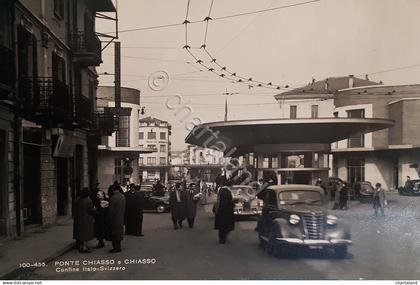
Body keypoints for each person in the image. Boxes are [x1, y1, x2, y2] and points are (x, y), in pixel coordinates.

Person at [73, 187, 96, 253]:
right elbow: (91, 210)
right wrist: (95, 210)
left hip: (78, 218)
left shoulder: (77, 199)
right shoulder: (88, 200)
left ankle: (80, 245)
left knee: (79, 232)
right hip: (86, 219)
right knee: (85, 234)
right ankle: (84, 247)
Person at [106, 184, 126, 253]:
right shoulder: (123, 196)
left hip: (114, 218)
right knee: (119, 232)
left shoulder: (113, 197)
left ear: (113, 189)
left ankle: (115, 248)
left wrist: (108, 218)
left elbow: (110, 210)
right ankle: (119, 247)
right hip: (120, 216)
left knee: (114, 233)